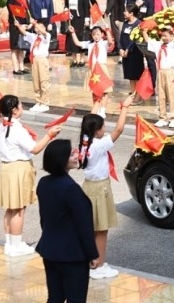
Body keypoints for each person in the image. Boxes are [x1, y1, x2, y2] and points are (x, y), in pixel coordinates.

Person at [0, 95, 62, 256]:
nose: (22, 107)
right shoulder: (16, 128)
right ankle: (16, 246)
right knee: (19, 209)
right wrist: (50, 135)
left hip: (6, 169)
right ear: (14, 110)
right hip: (19, 169)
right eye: (20, 105)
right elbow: (35, 148)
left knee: (10, 208)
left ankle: (10, 243)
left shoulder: (1, 124)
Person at [36, 139, 99, 303]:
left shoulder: (43, 184)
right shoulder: (71, 189)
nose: (76, 155)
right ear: (61, 159)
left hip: (50, 250)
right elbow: (84, 226)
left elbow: (44, 219)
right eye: (71, 154)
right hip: (73, 256)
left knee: (55, 297)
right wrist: (93, 254)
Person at [77, 96, 132, 280]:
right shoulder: (99, 146)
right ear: (96, 131)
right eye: (102, 127)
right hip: (100, 189)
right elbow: (119, 129)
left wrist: (99, 105)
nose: (104, 130)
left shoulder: (86, 144)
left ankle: (92, 261)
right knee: (101, 229)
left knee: (91, 228)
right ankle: (98, 265)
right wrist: (124, 107)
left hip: (88, 188)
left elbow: (94, 121)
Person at [69, 26, 116, 117]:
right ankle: (96, 108)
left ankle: (102, 110)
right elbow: (77, 43)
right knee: (94, 90)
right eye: (94, 34)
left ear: (102, 35)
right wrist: (73, 33)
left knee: (104, 91)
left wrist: (107, 30)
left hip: (101, 68)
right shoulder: (89, 44)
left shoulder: (104, 43)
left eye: (98, 34)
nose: (96, 36)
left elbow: (110, 42)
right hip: (93, 68)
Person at [141, 26, 174, 128]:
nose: (164, 38)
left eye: (166, 36)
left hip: (170, 72)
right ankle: (162, 117)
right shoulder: (158, 45)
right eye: (162, 35)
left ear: (171, 37)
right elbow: (148, 41)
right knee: (161, 95)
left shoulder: (173, 45)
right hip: (160, 72)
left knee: (171, 95)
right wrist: (144, 31)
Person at [65, 0, 98, 68]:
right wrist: (66, 11)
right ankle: (74, 59)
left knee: (82, 37)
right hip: (72, 17)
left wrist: (87, 19)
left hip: (81, 17)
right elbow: (66, 5)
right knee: (72, 37)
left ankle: (82, 59)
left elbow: (86, 6)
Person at [19, 20, 52, 112]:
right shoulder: (34, 37)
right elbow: (23, 32)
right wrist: (19, 25)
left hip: (42, 60)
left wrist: (35, 23)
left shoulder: (46, 36)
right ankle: (38, 102)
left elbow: (44, 32)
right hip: (34, 60)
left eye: (40, 27)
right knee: (36, 82)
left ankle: (45, 103)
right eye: (36, 27)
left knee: (44, 81)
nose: (37, 28)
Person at [118, 5, 145, 97]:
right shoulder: (125, 23)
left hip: (135, 53)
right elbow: (121, 37)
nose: (123, 13)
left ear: (131, 13)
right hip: (125, 53)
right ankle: (133, 93)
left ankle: (138, 95)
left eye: (125, 11)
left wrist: (128, 49)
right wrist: (120, 48)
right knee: (130, 75)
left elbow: (135, 40)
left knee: (136, 75)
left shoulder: (138, 24)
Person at [7, 0, 31, 75]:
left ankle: (21, 67)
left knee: (21, 47)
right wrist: (18, 24)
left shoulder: (24, 0)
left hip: (24, 26)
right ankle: (16, 68)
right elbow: (13, 14)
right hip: (15, 26)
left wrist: (28, 24)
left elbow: (28, 13)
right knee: (15, 48)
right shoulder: (11, 0)